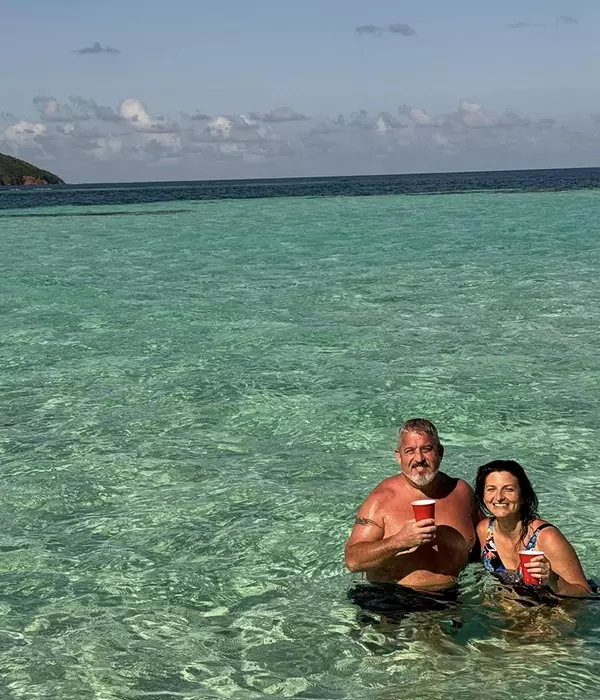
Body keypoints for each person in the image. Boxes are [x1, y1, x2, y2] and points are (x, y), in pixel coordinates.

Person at [345, 418, 479, 616]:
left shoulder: (461, 492)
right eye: (410, 451)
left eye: (427, 449)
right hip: (393, 600)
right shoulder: (381, 500)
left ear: (440, 452)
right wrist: (399, 541)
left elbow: (490, 540)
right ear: (399, 457)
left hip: (451, 597)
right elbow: (353, 560)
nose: (419, 459)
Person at [475, 460, 590, 597]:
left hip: (555, 609)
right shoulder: (485, 530)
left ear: (523, 496)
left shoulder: (546, 537)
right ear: (483, 496)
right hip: (513, 607)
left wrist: (552, 579)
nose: (499, 497)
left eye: (509, 489)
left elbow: (584, 592)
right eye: (491, 489)